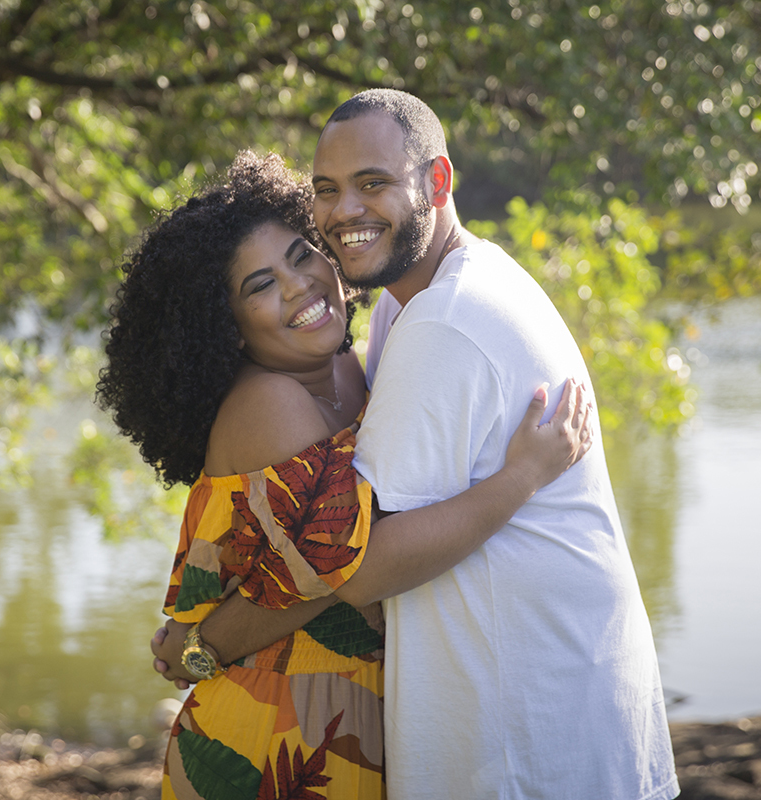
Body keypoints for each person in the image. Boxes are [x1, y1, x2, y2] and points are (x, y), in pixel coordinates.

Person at [152, 91, 681, 799]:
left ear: (437, 182)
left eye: (373, 183)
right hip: (289, 726)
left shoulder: (429, 320)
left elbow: (354, 568)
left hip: (522, 726)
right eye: (328, 191)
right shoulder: (412, 311)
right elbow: (348, 565)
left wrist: (201, 644)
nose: (344, 212)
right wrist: (202, 646)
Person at [99, 151, 593, 798]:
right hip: (269, 739)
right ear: (226, 327)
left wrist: (200, 642)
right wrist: (520, 480)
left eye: (302, 254)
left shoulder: (345, 370)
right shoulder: (268, 402)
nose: (299, 284)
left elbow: (313, 572)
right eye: (260, 285)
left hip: (341, 719)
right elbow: (351, 570)